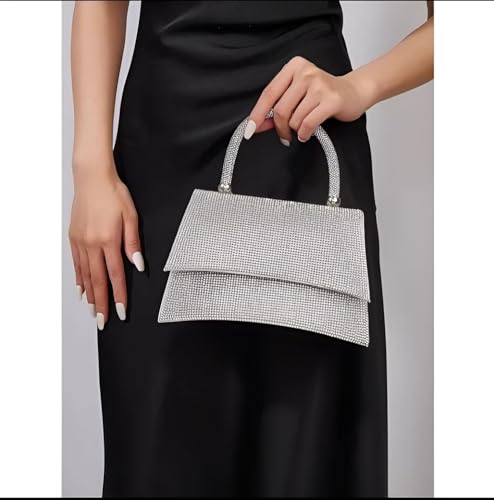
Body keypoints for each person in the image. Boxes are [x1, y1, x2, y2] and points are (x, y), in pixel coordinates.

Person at [69, 1, 433, 497]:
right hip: (163, 155)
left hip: (308, 141)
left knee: (306, 456)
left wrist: (359, 87)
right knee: (158, 450)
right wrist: (91, 170)